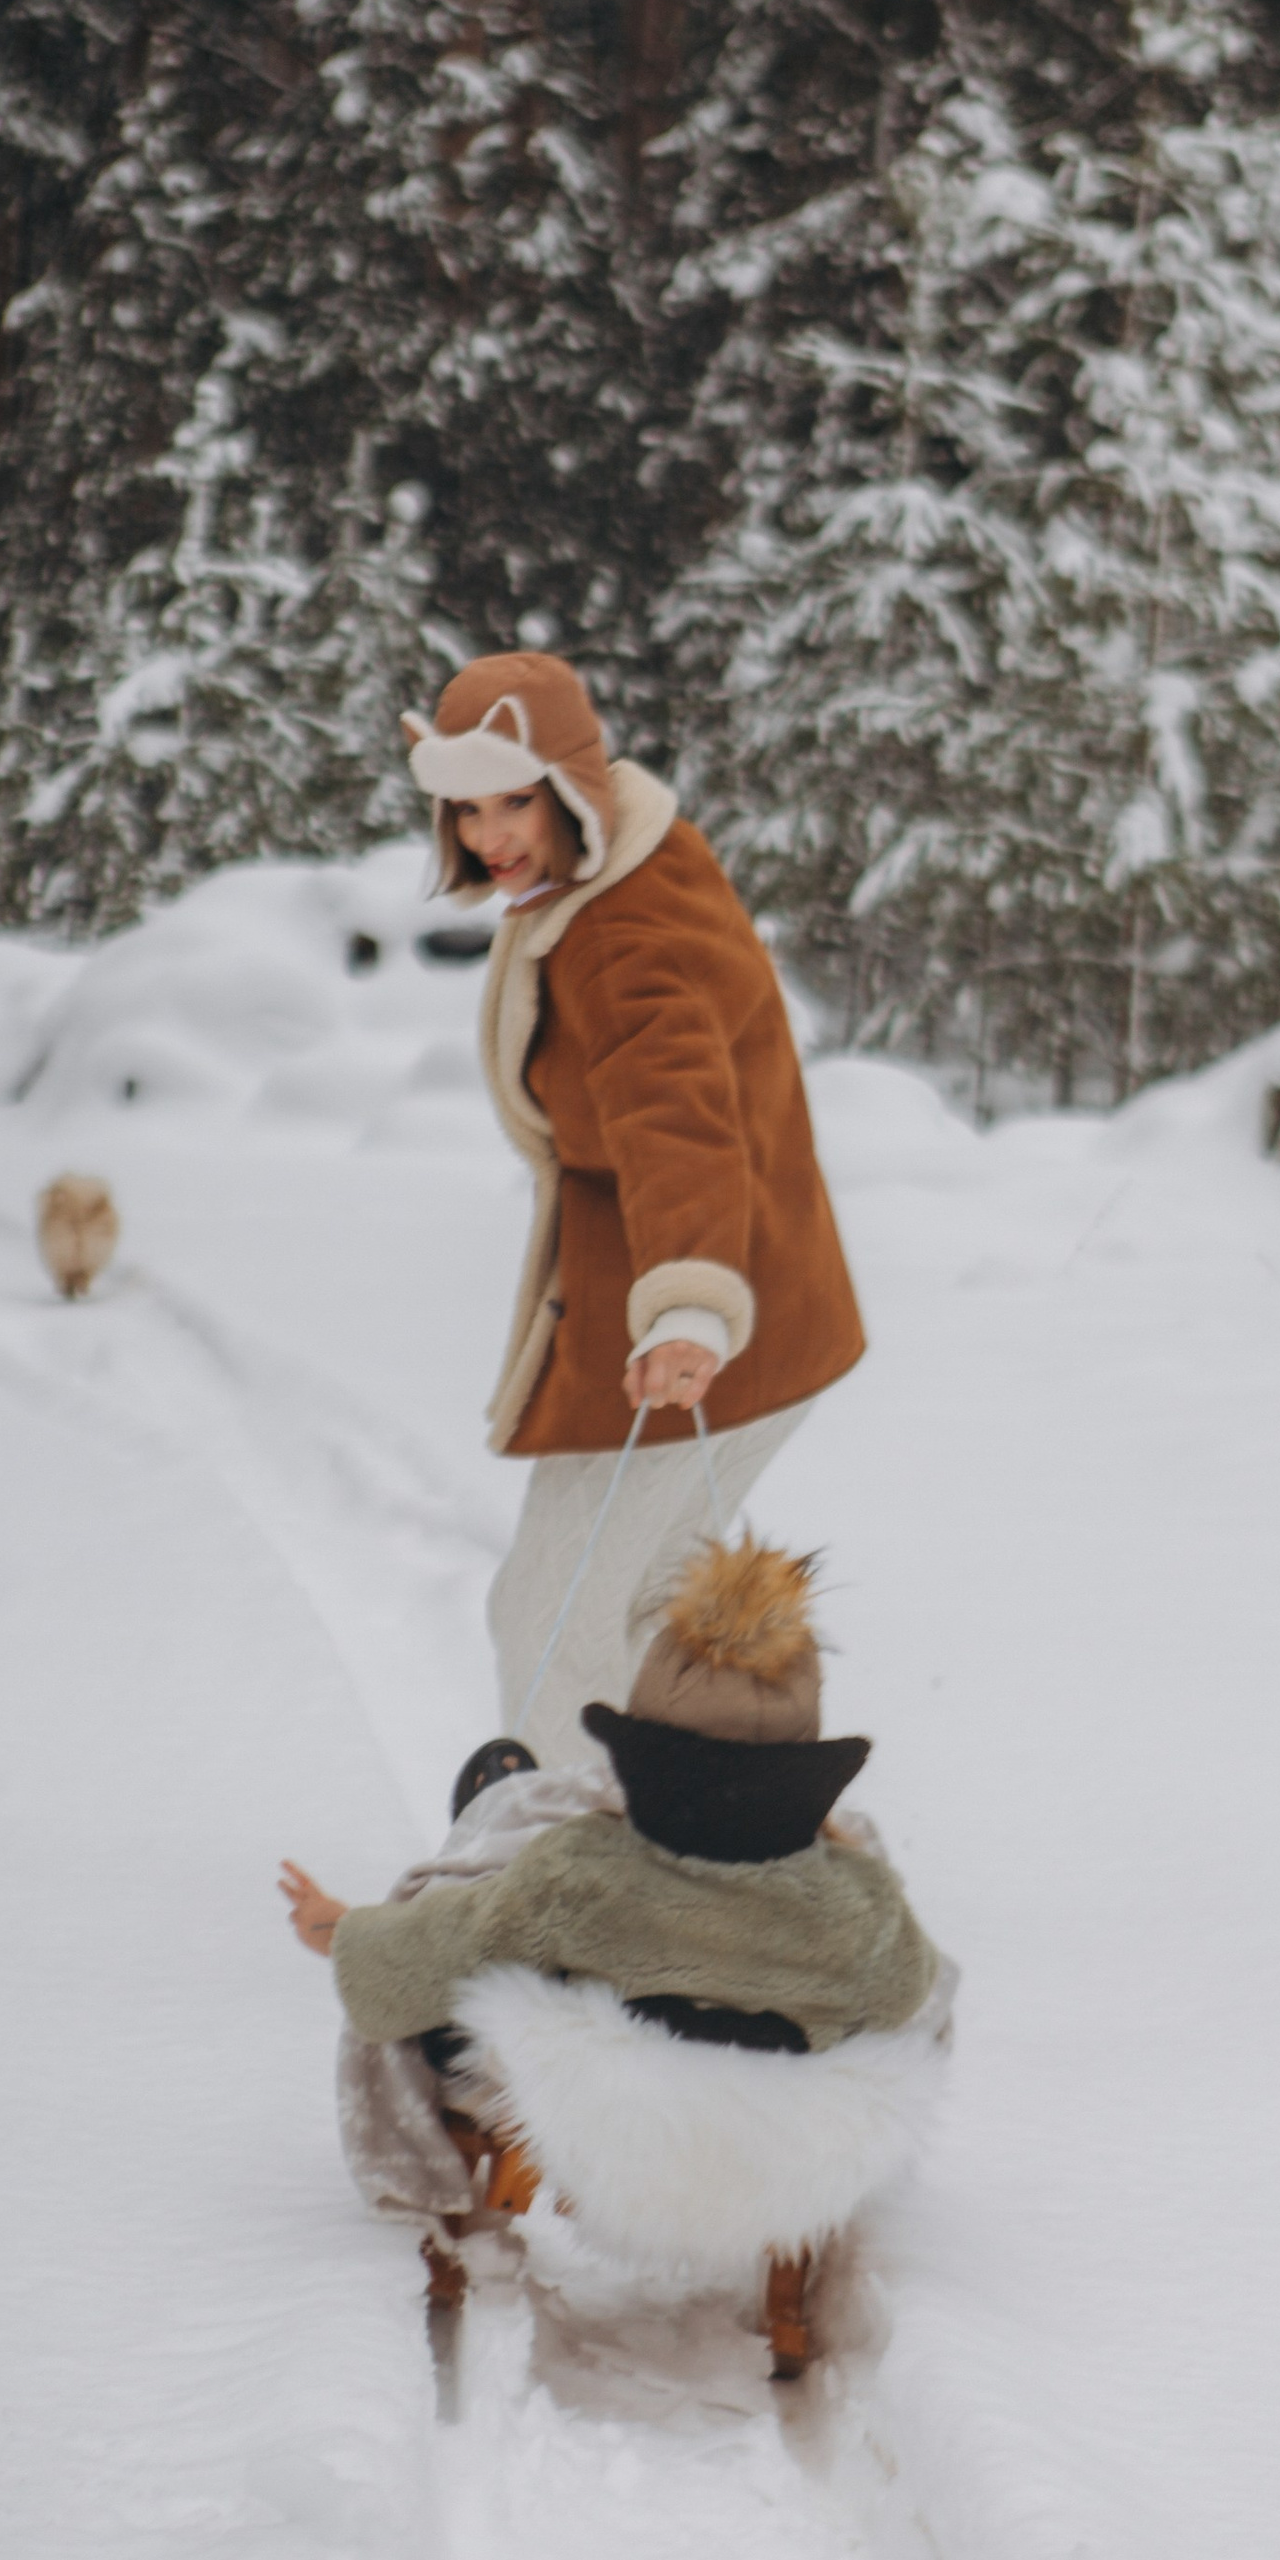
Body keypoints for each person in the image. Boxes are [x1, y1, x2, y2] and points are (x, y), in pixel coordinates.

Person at [279, 1538, 951, 2367]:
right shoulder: (859, 1905)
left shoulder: (574, 1875)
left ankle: (495, 1798)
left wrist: (338, 1927)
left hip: (604, 2146)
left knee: (483, 1899)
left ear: (641, 1754)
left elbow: (397, 1977)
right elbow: (924, 2007)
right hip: (782, 2168)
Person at [402, 649, 863, 1769]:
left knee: (550, 1612)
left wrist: (691, 1310)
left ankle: (558, 1862)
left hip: (695, 1333)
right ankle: (680, 1849)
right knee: (644, 1614)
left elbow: (681, 1127)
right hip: (745, 1316)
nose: (488, 835)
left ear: (570, 782)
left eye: (512, 799)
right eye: (462, 809)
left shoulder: (621, 936)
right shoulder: (625, 863)